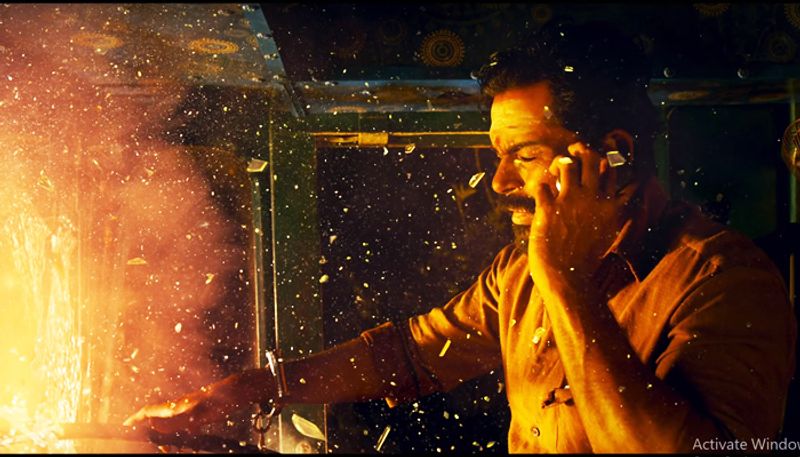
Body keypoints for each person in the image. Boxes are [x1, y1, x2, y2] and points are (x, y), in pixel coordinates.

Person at [125, 21, 797, 453]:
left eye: (524, 156)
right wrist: (249, 388)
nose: (500, 181)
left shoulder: (723, 283)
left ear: (611, 154)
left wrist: (565, 284)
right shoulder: (519, 273)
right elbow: (412, 354)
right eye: (497, 156)